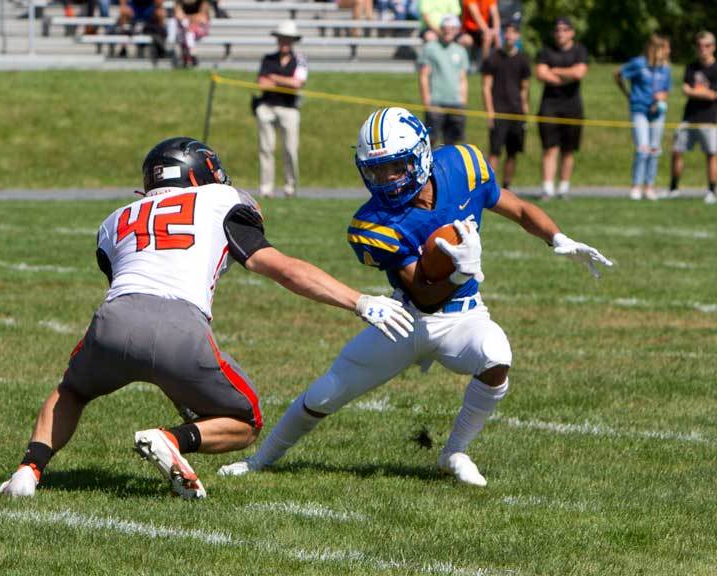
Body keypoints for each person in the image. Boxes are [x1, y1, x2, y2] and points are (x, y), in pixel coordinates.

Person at [0, 137, 413, 500]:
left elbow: (127, 282)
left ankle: (27, 472)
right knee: (246, 421)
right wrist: (358, 301)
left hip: (113, 321)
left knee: (71, 390)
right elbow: (281, 267)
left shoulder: (114, 220)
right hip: (180, 326)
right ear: (201, 175)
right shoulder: (220, 200)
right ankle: (171, 439)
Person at [218, 107, 612, 487]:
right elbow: (423, 296)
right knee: (326, 393)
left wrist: (558, 238)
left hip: (463, 317)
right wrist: (460, 273)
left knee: (496, 356)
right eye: (375, 169)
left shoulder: (463, 165)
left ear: (421, 154)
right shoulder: (372, 223)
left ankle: (454, 451)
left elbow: (520, 209)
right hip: (406, 318)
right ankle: (259, 460)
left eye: (395, 166)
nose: (386, 179)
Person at [535, 16, 588, 200]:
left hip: (572, 106)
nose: (561, 33)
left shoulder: (580, 51)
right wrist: (567, 76)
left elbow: (579, 73)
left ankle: (564, 188)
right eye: (557, 30)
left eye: (565, 29)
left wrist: (555, 71)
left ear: (572, 32)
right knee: (549, 148)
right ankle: (547, 188)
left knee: (568, 149)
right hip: (549, 105)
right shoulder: (546, 51)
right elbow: (541, 74)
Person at [615, 34, 671, 201]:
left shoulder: (665, 67)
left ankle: (649, 187)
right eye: (665, 48)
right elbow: (618, 74)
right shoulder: (639, 63)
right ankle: (636, 186)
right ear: (655, 48)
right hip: (639, 109)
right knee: (643, 149)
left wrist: (662, 96)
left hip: (657, 112)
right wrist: (627, 93)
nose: (668, 51)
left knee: (654, 149)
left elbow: (666, 89)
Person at [256, 21, 307, 199]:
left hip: (289, 109)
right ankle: (266, 187)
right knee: (266, 148)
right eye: (282, 38)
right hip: (267, 107)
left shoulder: (300, 60)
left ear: (292, 41)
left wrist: (274, 79)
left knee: (290, 149)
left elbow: (297, 83)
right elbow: (262, 83)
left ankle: (290, 186)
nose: (284, 42)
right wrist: (286, 82)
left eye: (287, 39)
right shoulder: (268, 59)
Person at [668, 31, 717, 204]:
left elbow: (713, 95)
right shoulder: (691, 67)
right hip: (689, 117)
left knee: (711, 155)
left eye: (707, 45)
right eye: (699, 45)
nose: (703, 49)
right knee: (677, 151)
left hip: (710, 119)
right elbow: (686, 90)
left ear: (713, 47)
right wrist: (704, 92)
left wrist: (696, 92)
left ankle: (712, 191)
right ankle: (673, 189)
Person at [481, 19, 529, 189]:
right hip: (499, 112)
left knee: (512, 153)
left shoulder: (523, 60)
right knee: (495, 151)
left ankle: (506, 187)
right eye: (506, 32)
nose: (509, 35)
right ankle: (488, 188)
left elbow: (525, 89)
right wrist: (490, 112)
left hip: (516, 112)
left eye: (513, 32)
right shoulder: (493, 58)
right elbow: (486, 87)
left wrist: (525, 111)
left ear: (518, 36)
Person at [418, 15, 469, 145]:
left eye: (452, 28)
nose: (448, 31)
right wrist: (427, 100)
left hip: (455, 103)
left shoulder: (461, 51)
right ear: (441, 29)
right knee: (430, 141)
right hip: (436, 102)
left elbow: (463, 78)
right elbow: (424, 75)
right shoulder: (430, 48)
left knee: (453, 143)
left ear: (457, 30)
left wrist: (463, 101)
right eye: (445, 28)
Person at [173, 0, 210, 67]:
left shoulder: (202, 2)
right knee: (186, 32)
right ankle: (191, 55)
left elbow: (202, 17)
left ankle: (189, 56)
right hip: (185, 28)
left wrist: (187, 18)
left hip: (199, 27)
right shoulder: (179, 2)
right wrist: (190, 19)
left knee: (189, 33)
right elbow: (178, 15)